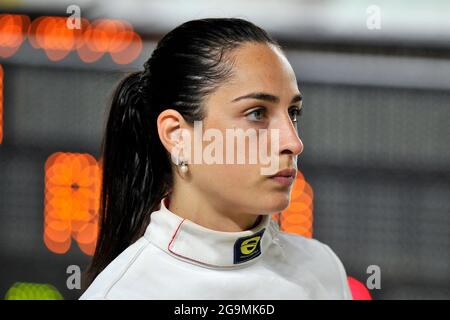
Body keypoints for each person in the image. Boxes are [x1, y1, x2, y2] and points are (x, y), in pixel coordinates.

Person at [80, 17, 352, 300]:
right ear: (177, 135)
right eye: (257, 113)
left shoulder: (322, 271)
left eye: (293, 113)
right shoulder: (122, 294)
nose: (293, 143)